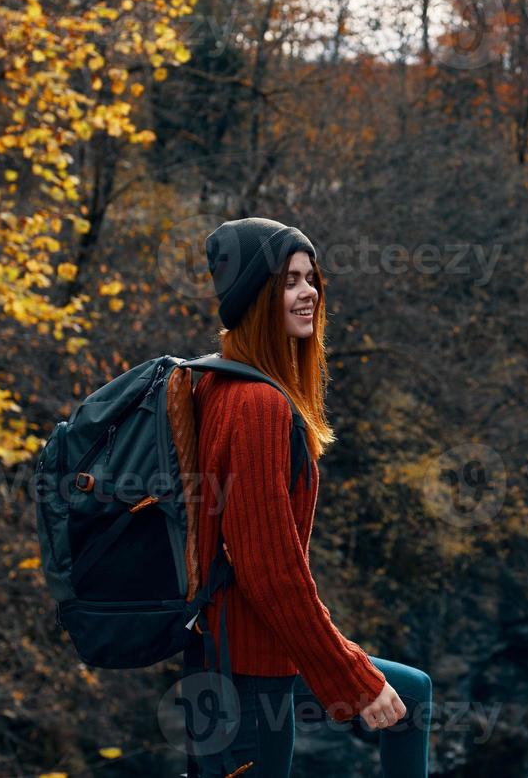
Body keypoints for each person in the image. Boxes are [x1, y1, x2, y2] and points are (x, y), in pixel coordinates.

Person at [181, 216, 432, 778]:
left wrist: (347, 668)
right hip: (246, 676)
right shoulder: (257, 407)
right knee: (401, 699)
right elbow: (269, 572)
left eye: (310, 277)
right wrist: (354, 681)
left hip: (231, 655)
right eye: (291, 281)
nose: (310, 291)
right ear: (256, 295)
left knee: (411, 695)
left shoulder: (216, 382)